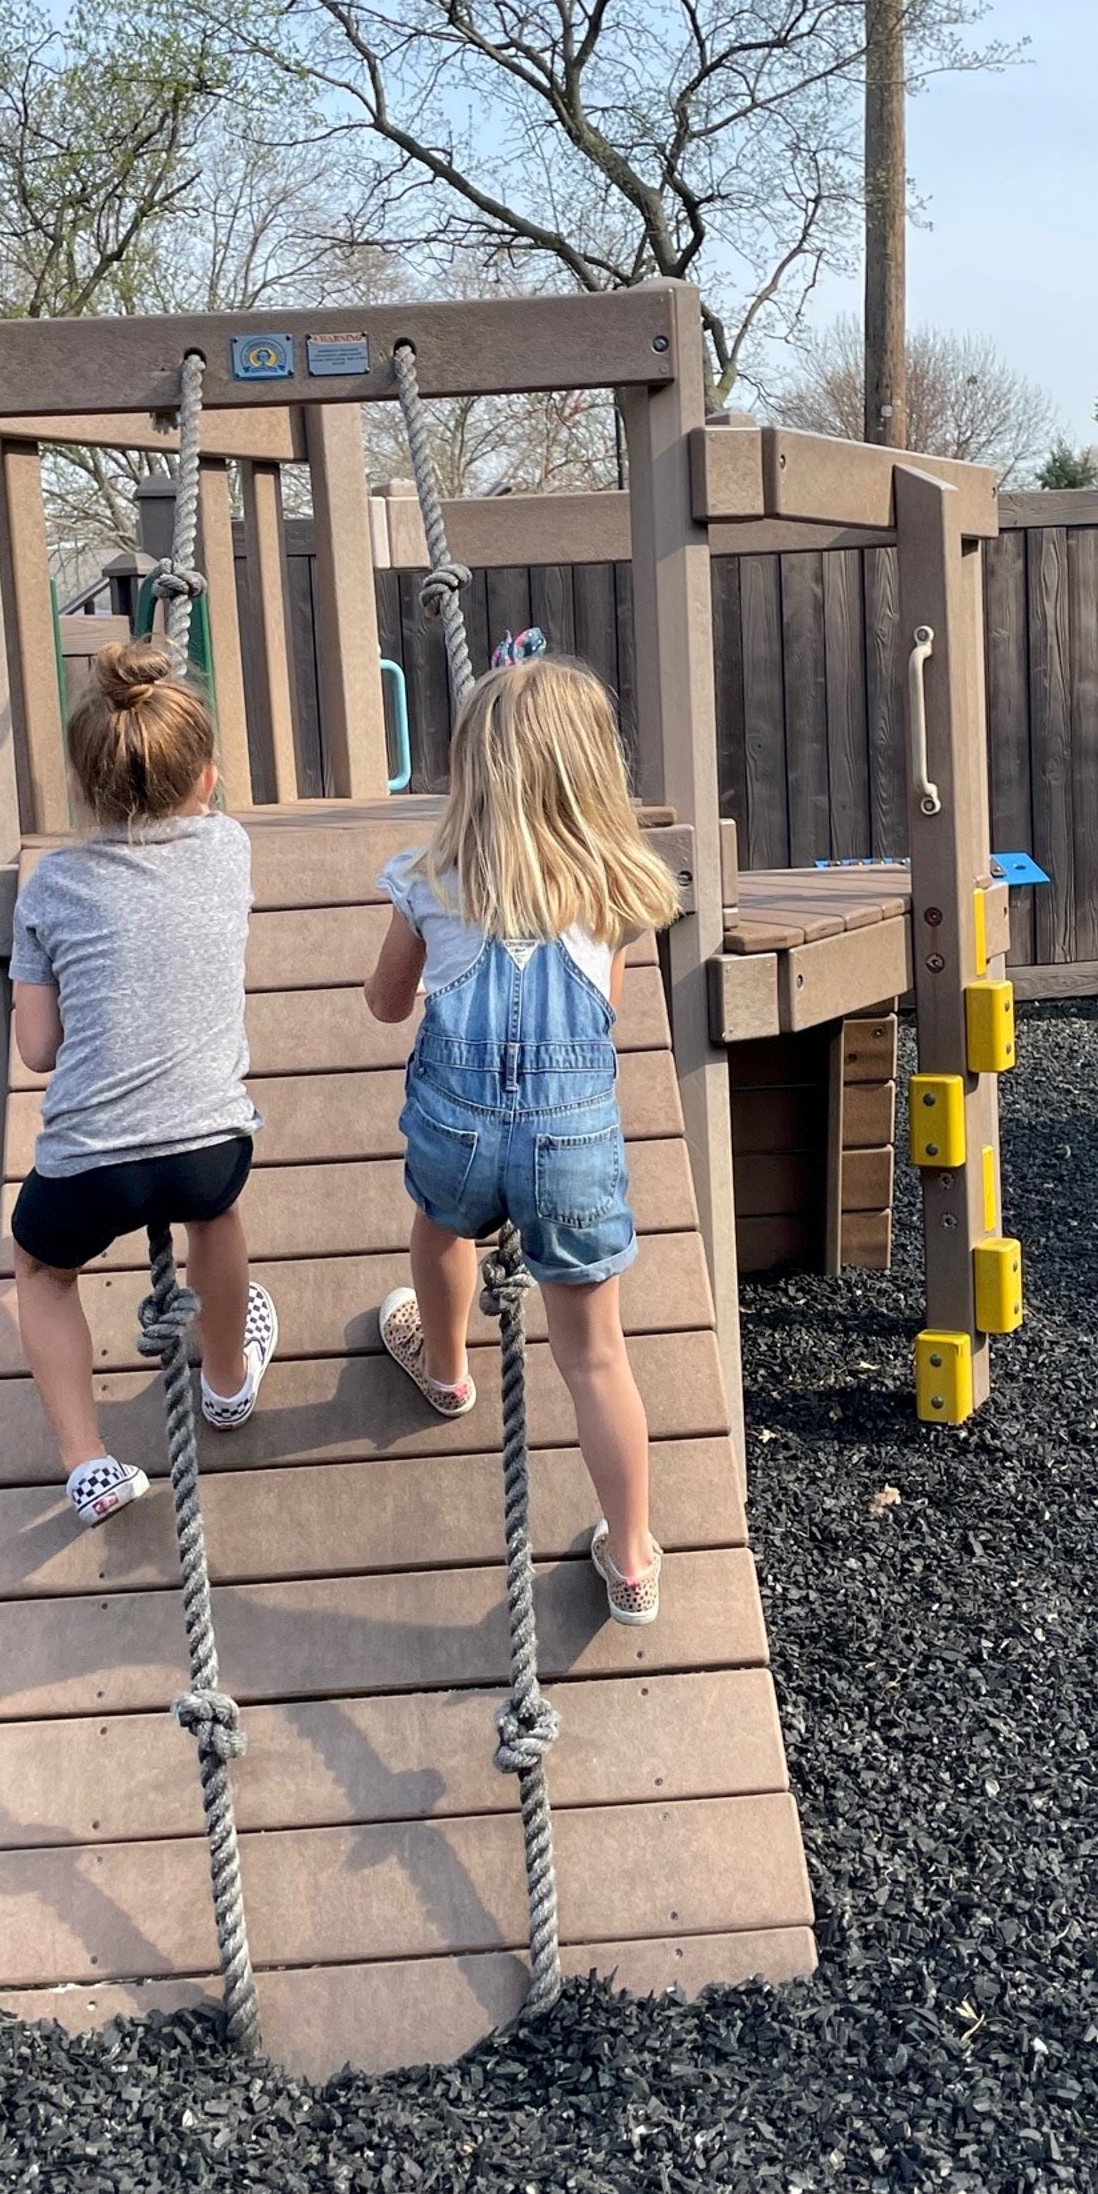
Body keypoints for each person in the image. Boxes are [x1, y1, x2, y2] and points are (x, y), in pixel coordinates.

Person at [363, 656, 680, 1624]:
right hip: (570, 1142)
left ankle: (449, 1367)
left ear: (471, 765)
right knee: (594, 1356)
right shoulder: (616, 884)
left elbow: (383, 1005)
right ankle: (629, 1560)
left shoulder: (430, 878)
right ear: (594, 769)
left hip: (458, 1129)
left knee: (439, 1225)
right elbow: (605, 1012)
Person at [9, 639, 276, 1527]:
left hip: (92, 1164)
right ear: (207, 780)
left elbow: (38, 1050)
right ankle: (229, 1380)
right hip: (209, 1148)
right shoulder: (228, 850)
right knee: (216, 1216)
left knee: (41, 1271)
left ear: (82, 789)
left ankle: (86, 1462)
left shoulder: (50, 887)